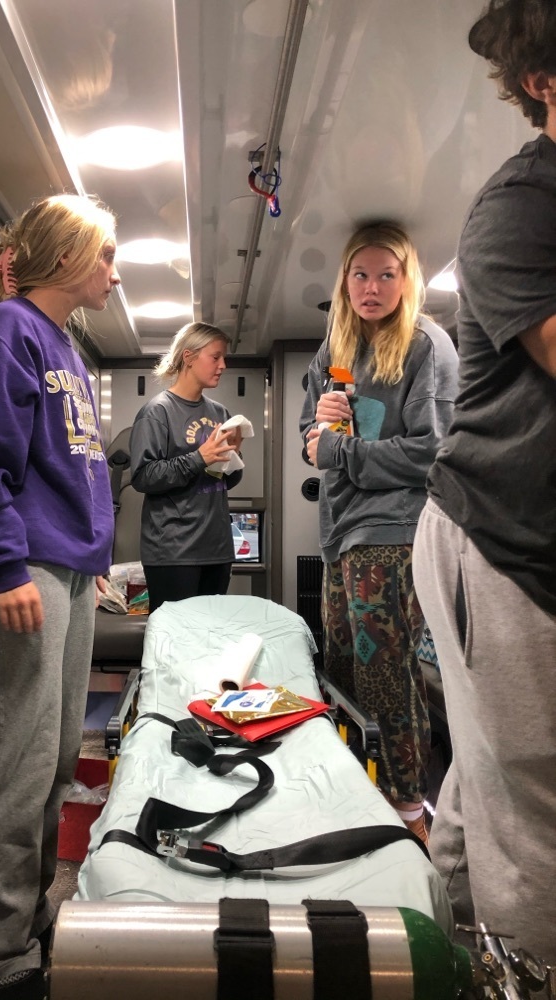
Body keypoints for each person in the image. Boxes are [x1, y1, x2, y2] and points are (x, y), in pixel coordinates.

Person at [0, 193, 119, 1000]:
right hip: (23, 564)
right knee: (19, 762)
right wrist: (7, 565)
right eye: (105, 255)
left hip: (68, 567)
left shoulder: (66, 348)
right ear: (66, 256)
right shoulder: (5, 331)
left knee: (53, 761)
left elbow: (77, 467)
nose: (114, 273)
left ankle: (28, 919)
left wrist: (94, 559)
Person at [413, 0, 556, 963]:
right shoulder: (520, 208)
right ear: (543, 82)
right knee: (535, 810)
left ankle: (453, 959)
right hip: (498, 539)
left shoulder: (423, 349)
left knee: (487, 777)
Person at [300, 222, 459, 844]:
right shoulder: (334, 348)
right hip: (340, 532)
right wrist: (319, 430)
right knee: (342, 667)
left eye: (386, 275)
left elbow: (433, 452)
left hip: (394, 530)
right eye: (360, 274)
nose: (372, 288)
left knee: (388, 676)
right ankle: (357, 796)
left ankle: (408, 814)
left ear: (406, 279)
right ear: (344, 280)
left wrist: (338, 451)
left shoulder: (425, 345)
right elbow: (313, 440)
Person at [130, 322, 244, 613]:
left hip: (217, 549)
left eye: (223, 358)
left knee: (209, 634)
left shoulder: (220, 412)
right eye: (215, 357)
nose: (223, 365)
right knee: (175, 637)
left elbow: (225, 482)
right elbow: (143, 477)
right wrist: (200, 457)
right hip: (173, 552)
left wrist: (232, 458)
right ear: (189, 357)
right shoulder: (158, 412)